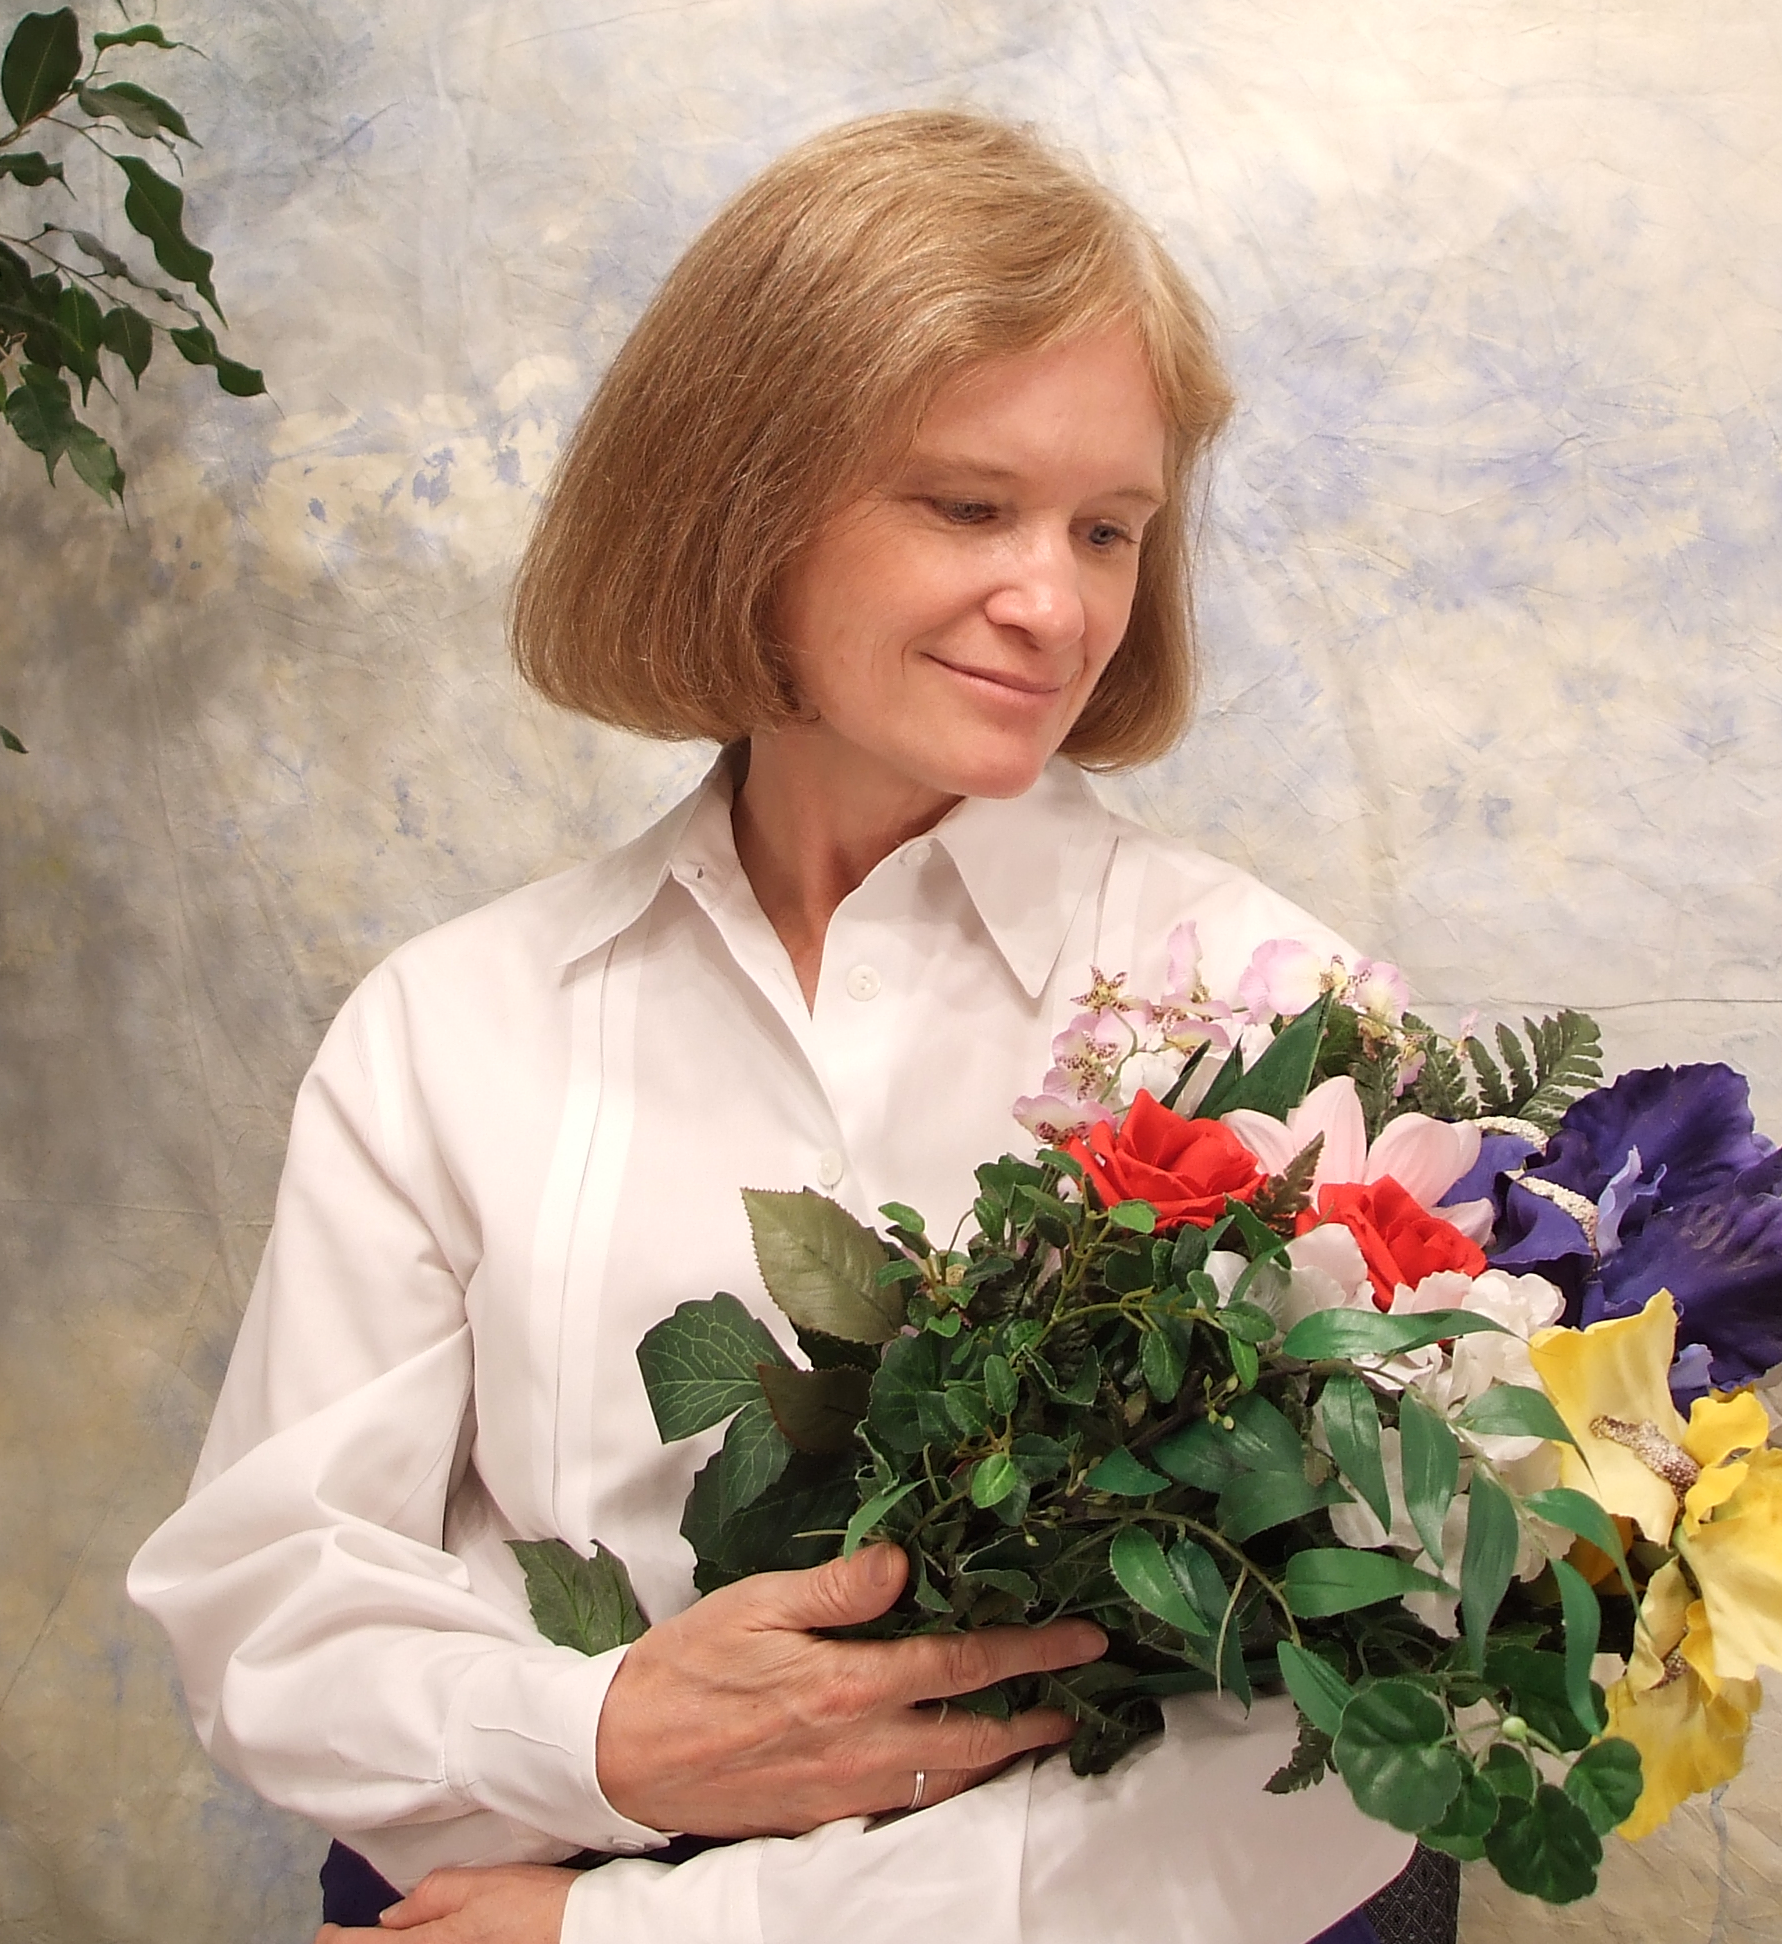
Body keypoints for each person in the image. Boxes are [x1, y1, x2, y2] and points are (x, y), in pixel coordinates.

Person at [129, 110, 1417, 1944]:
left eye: (1109, 530)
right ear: (741, 500)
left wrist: (636, 1932)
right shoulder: (450, 1027)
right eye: (967, 506)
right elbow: (272, 1604)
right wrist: (603, 1741)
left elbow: (1333, 1756)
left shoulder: (1275, 1016)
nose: (1055, 605)